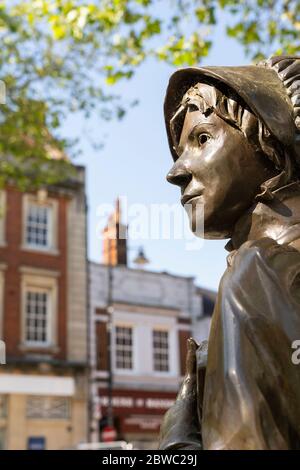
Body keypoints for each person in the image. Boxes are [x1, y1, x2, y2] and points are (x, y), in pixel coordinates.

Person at [159, 56, 300, 450]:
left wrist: (178, 436)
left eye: (202, 139)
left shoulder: (258, 276)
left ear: (269, 142)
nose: (176, 171)